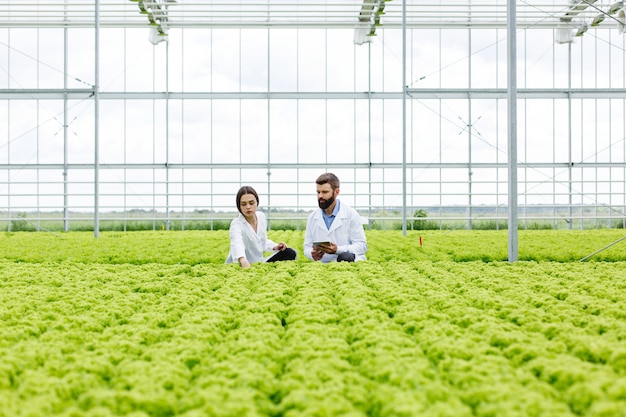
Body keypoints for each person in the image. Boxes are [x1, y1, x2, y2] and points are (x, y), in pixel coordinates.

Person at [226, 185, 297, 268]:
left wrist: (275, 246)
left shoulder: (261, 217)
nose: (248, 207)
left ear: (257, 202)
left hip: (259, 263)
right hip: (242, 264)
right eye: (243, 204)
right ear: (239, 206)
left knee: (290, 252)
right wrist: (242, 260)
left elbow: (262, 241)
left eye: (251, 203)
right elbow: (237, 243)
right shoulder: (236, 224)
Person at [304, 173, 367, 263]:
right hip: (323, 264)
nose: (320, 196)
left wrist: (338, 250)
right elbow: (307, 246)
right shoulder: (312, 217)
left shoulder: (351, 214)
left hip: (347, 264)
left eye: (325, 192)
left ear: (336, 192)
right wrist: (312, 254)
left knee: (345, 257)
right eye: (318, 192)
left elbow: (361, 246)